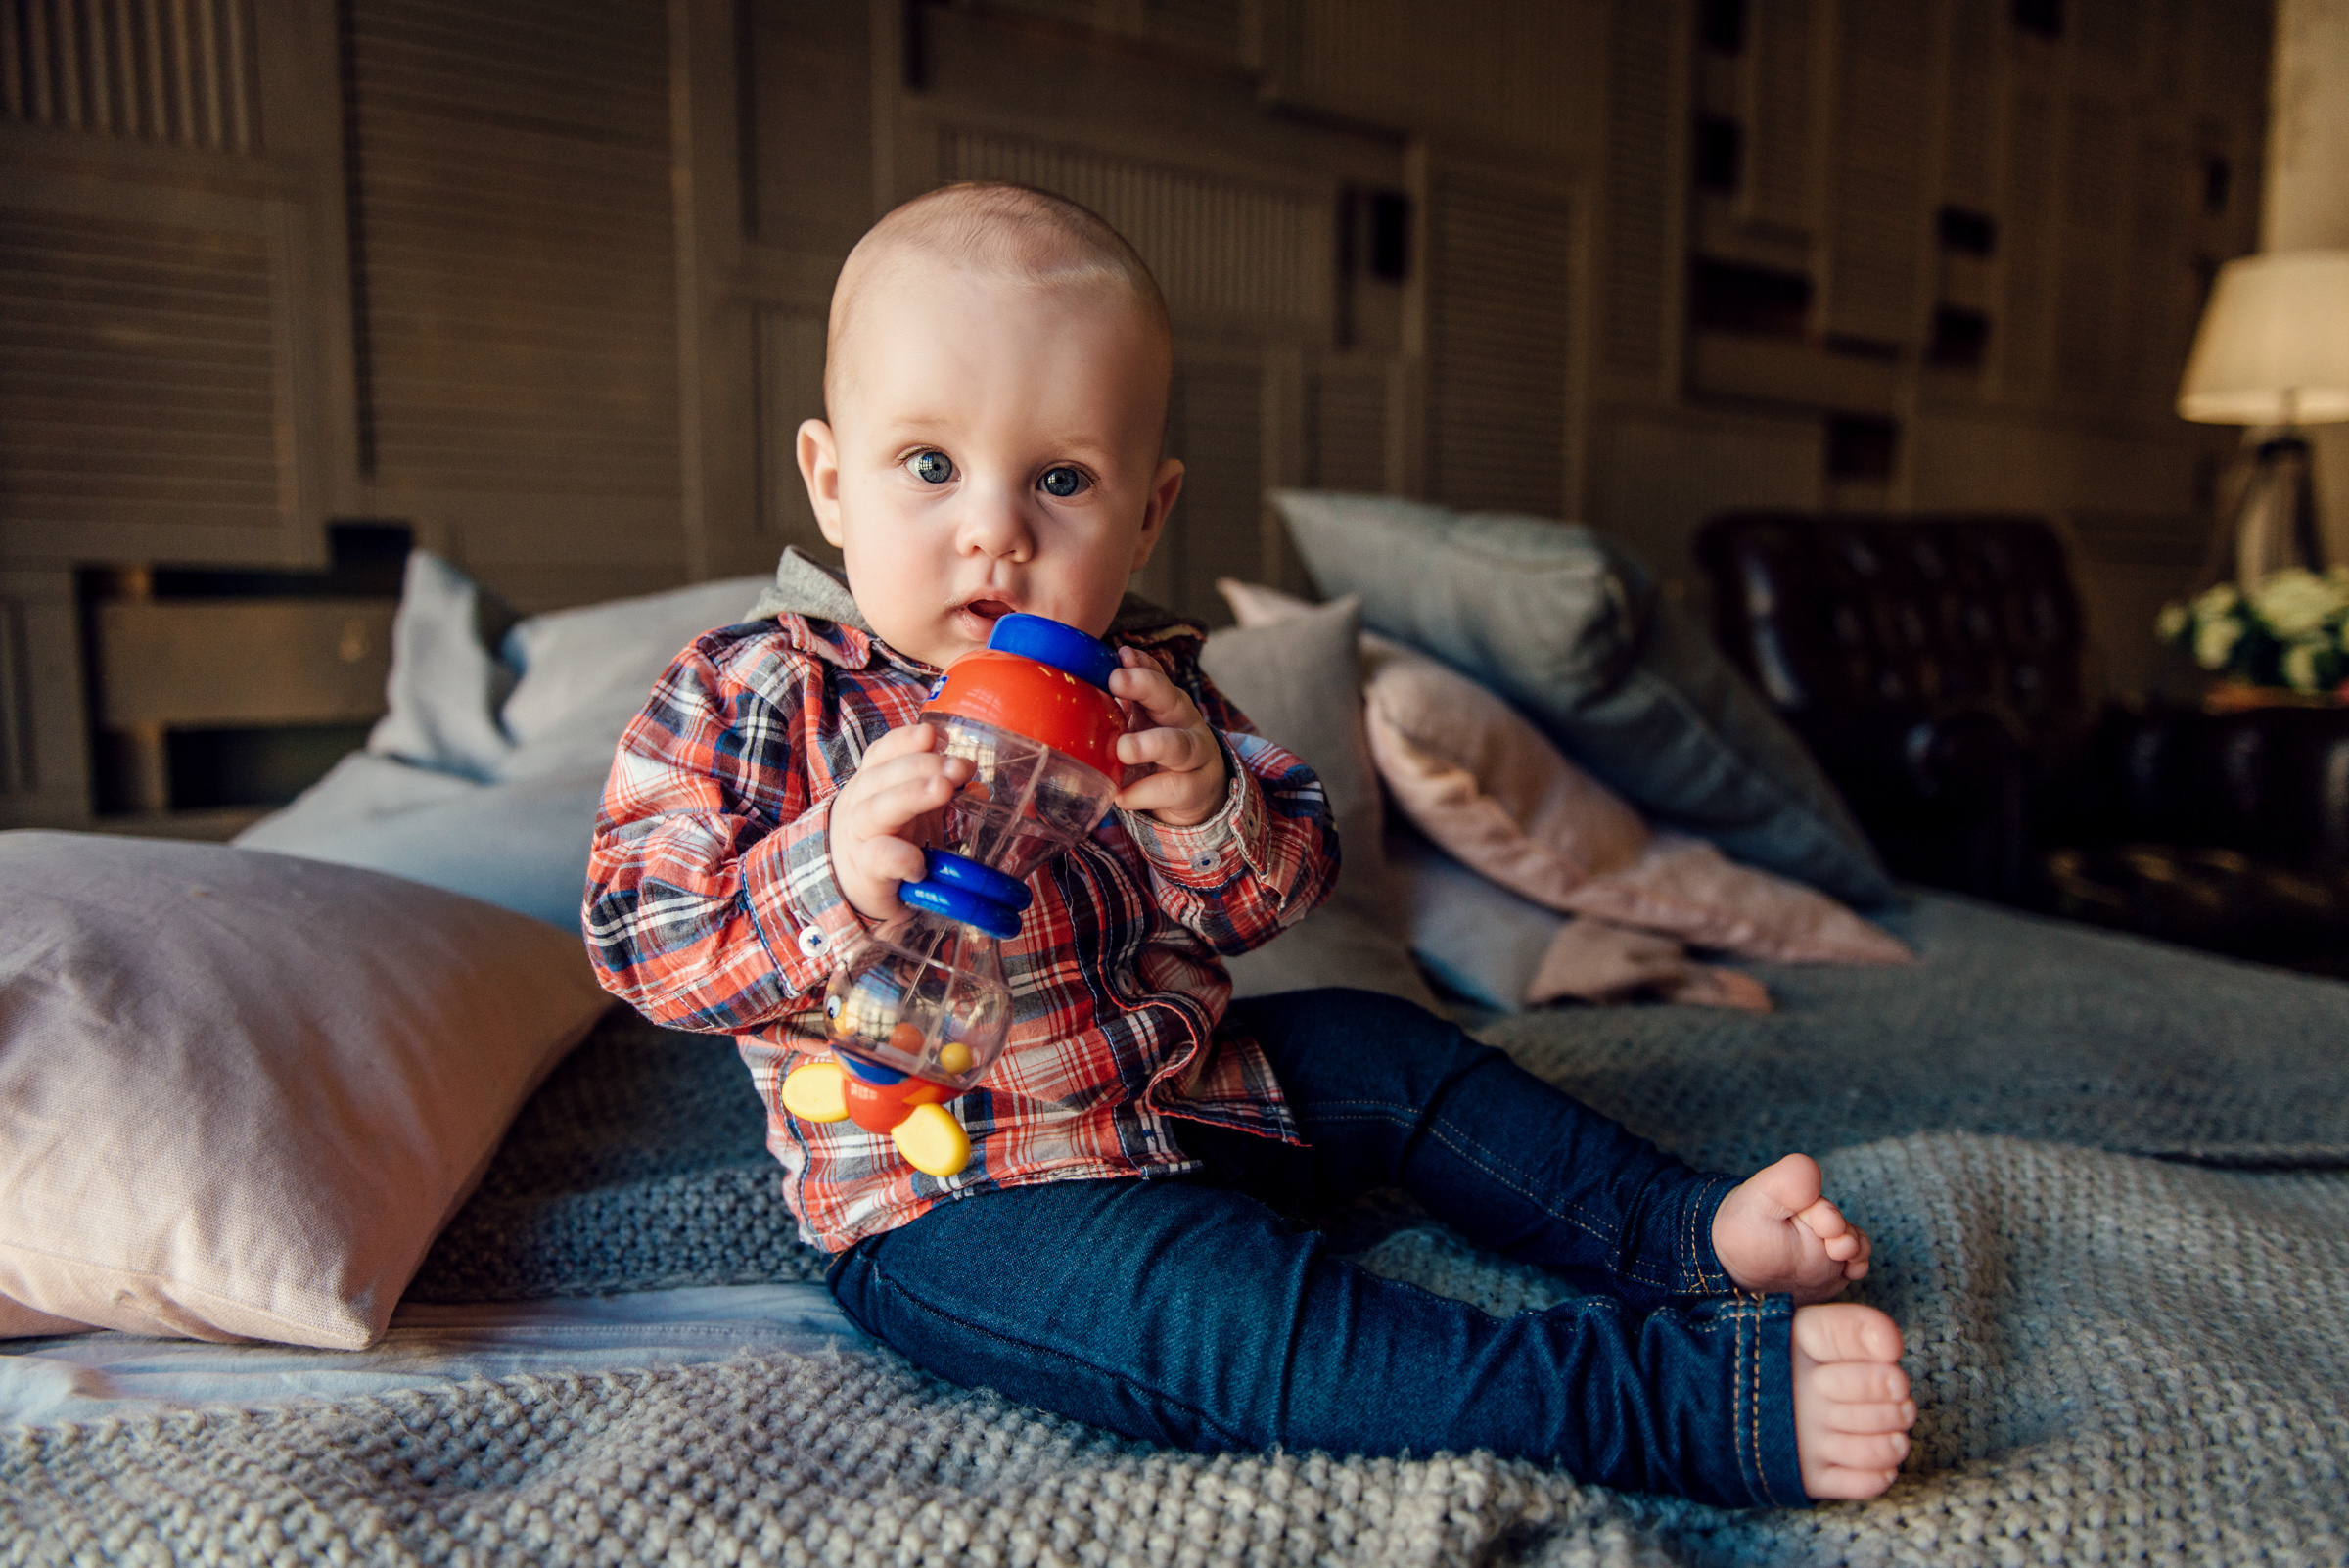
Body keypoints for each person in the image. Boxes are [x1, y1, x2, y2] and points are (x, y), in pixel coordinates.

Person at [584, 181, 1916, 1508]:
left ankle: (1680, 1230)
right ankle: (1673, 1400)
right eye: (929, 466)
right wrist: (830, 859)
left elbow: (1274, 889)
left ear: (1148, 514)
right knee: (1249, 1329)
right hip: (963, 1199)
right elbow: (636, 937)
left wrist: (1203, 801)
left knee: (1386, 1048)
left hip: (1188, 1087)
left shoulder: (1147, 687)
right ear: (831, 479)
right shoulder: (757, 690)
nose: (996, 529)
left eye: (1062, 478)